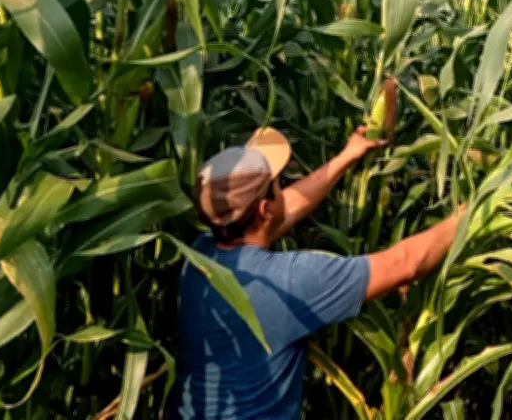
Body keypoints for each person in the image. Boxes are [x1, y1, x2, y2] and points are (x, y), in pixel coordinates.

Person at [177, 126, 466, 420]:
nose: (283, 188)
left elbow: (285, 208)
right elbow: (407, 263)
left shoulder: (199, 258)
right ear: (264, 209)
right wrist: (469, 213)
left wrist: (346, 157)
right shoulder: (288, 282)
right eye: (277, 183)